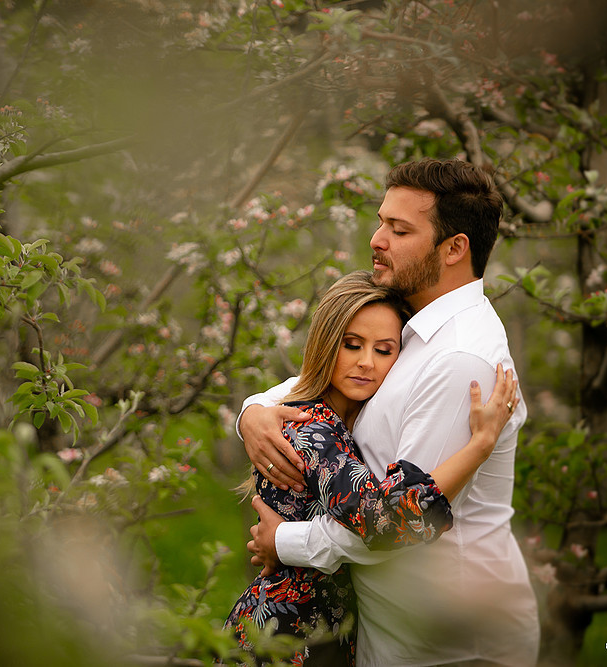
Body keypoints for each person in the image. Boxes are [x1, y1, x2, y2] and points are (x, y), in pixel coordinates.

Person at [240, 158, 540, 666]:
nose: (377, 238)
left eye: (399, 229)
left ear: (454, 248)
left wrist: (284, 540)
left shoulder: (459, 361)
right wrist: (256, 409)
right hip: (396, 640)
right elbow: (333, 382)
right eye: (381, 221)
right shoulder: (414, 328)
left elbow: (396, 523)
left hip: (452, 648)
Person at [223, 271, 519, 667]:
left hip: (324, 630)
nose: (366, 363)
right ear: (328, 344)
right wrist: (480, 446)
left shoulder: (344, 420)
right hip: (286, 634)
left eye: (384, 350)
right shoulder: (312, 429)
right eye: (352, 345)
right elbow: (382, 521)